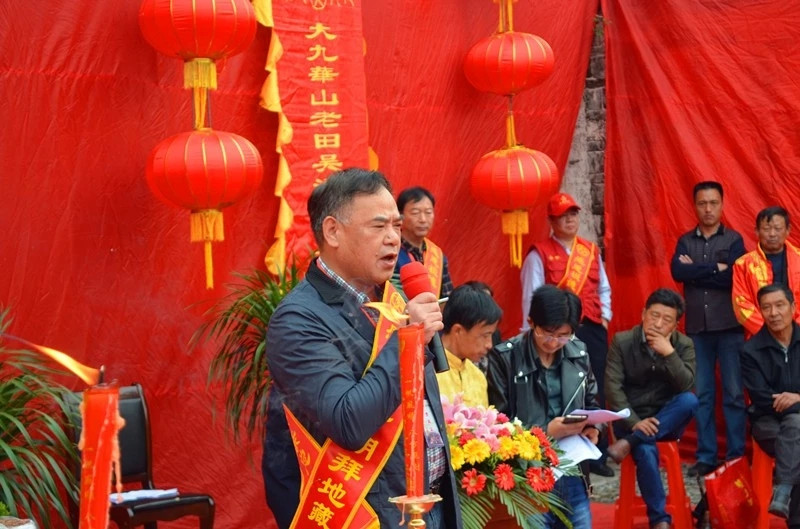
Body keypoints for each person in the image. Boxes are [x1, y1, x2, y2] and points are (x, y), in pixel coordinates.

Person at [261, 168, 461, 529]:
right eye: (378, 226)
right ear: (332, 231)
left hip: (428, 504)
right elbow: (348, 422)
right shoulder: (298, 319)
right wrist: (410, 340)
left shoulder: (393, 299)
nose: (393, 239)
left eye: (396, 226)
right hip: (365, 513)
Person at [487, 285, 601, 529]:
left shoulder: (578, 352)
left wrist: (594, 428)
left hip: (572, 468)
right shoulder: (505, 358)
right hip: (528, 473)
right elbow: (497, 424)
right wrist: (545, 431)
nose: (554, 342)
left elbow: (591, 402)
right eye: (547, 333)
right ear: (531, 322)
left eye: (563, 335)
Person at [520, 192, 614, 477]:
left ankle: (597, 452)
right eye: (563, 215)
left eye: (573, 214)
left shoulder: (590, 250)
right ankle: (563, 450)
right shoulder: (539, 253)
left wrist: (605, 317)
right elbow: (531, 296)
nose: (570, 220)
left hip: (592, 327)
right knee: (564, 387)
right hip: (556, 333)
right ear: (551, 221)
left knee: (594, 388)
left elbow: (603, 287)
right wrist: (531, 334)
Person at [670, 181, 746, 477]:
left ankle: (736, 456)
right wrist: (716, 268)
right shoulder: (685, 241)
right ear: (695, 206)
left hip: (730, 328)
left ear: (722, 205)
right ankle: (706, 456)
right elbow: (678, 271)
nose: (708, 209)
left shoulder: (734, 240)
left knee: (734, 394)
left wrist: (697, 273)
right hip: (697, 331)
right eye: (702, 203)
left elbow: (735, 278)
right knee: (702, 395)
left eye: (713, 203)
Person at [605, 288, 698, 529]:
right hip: (630, 419)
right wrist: (635, 423)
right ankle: (660, 521)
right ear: (643, 314)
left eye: (666, 320)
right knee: (646, 451)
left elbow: (687, 385)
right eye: (654, 315)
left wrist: (669, 354)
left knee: (689, 401)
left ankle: (630, 442)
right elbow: (613, 389)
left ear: (675, 325)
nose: (657, 324)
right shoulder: (623, 341)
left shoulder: (683, 345)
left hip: (666, 419)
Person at [740, 284, 800, 524]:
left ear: (793, 308)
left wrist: (798, 399)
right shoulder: (751, 350)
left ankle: (784, 490)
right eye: (766, 307)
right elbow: (763, 398)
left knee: (796, 429)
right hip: (767, 422)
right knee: (796, 432)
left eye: (779, 305)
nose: (773, 313)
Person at [733, 206, 800, 337]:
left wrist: (794, 332)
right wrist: (769, 333)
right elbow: (741, 305)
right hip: (760, 337)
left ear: (788, 230)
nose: (772, 234)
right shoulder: (743, 264)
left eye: (778, 228)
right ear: (757, 231)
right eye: (766, 229)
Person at [436, 283, 502, 407]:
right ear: (458, 331)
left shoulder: (478, 377)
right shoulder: (428, 373)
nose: (489, 345)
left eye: (491, 335)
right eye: (485, 335)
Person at [393, 186, 453, 298]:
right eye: (415, 213)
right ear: (400, 216)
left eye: (428, 212)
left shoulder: (437, 255)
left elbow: (447, 297)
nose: (423, 219)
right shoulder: (391, 251)